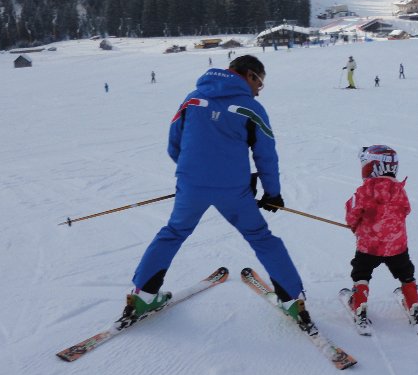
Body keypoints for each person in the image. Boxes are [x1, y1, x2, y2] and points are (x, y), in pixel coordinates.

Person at [124, 55, 313, 329]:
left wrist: (195, 176)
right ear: (249, 75)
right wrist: (272, 193)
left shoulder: (192, 98)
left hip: (191, 184)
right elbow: (266, 155)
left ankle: (142, 295)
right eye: (260, 82)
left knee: (173, 233)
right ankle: (292, 299)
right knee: (261, 237)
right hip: (233, 190)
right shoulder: (251, 107)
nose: (260, 89)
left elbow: (173, 144)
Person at [344, 145, 418, 326]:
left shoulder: (363, 192)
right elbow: (406, 210)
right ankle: (413, 305)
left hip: (369, 247)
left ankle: (358, 305)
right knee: (405, 272)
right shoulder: (400, 190)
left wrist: (355, 225)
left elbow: (351, 214)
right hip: (396, 246)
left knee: (361, 272)